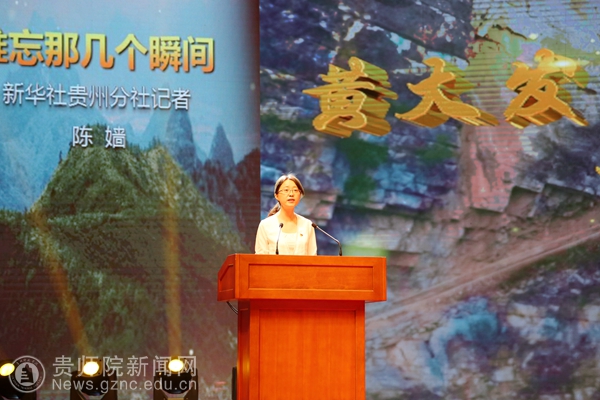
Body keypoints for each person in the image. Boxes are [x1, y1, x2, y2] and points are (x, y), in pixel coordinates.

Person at [255, 174, 317, 255]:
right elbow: (260, 258)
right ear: (276, 195)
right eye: (286, 190)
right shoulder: (265, 225)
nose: (291, 194)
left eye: (295, 190)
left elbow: (312, 258)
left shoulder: (308, 225)